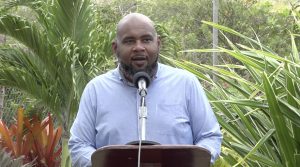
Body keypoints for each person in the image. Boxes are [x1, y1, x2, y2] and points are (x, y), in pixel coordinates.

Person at [69, 12, 222, 167]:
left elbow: (210, 136)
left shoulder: (186, 84)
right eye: (129, 41)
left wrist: (191, 161)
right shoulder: (96, 90)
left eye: (146, 40)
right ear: (115, 48)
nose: (139, 47)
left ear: (158, 44)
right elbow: (79, 144)